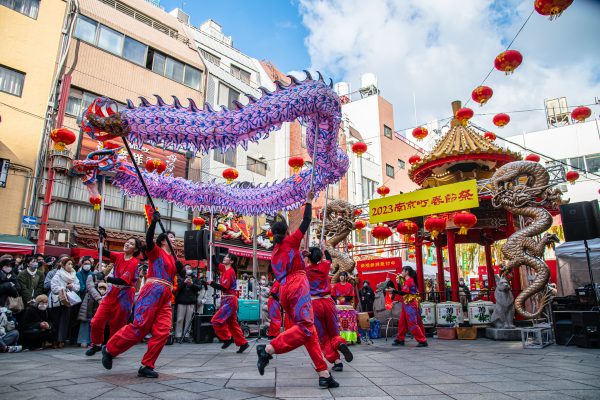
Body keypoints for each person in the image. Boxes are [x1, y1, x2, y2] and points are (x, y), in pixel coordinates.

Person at [256, 190, 338, 388]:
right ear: (286, 232)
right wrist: (309, 201)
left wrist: (299, 256)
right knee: (304, 328)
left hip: (285, 290)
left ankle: (323, 373)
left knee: (308, 330)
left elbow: (286, 266)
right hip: (298, 287)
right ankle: (267, 349)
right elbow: (307, 220)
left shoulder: (275, 252)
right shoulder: (290, 241)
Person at [101, 212, 183, 378]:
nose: (174, 239)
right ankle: (110, 349)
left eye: (175, 238)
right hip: (152, 291)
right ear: (162, 240)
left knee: (163, 331)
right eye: (171, 237)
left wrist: (180, 269)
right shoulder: (156, 251)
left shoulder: (175, 259)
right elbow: (148, 239)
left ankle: (147, 365)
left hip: (166, 294)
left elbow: (174, 278)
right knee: (139, 326)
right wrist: (153, 223)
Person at [86, 235, 142, 356]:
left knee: (117, 325)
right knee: (96, 321)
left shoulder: (134, 263)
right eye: (127, 242)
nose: (127, 244)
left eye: (131, 244)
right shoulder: (119, 256)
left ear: (136, 249)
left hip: (125, 296)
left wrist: (106, 277)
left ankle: (111, 349)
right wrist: (101, 238)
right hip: (112, 293)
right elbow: (102, 251)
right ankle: (96, 344)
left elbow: (122, 281)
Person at [306, 247, 353, 372]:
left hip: (315, 303)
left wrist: (303, 255)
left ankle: (336, 360)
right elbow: (329, 259)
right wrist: (325, 249)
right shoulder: (325, 266)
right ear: (320, 257)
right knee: (334, 332)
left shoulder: (306, 270)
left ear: (308, 257)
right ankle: (340, 343)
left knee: (323, 336)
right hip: (328, 301)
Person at [210, 253, 249, 353]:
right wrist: (212, 251)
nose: (224, 257)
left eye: (227, 257)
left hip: (230, 301)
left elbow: (224, 287)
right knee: (232, 324)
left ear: (231, 261)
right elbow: (215, 262)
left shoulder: (230, 272)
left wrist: (212, 283)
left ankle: (227, 338)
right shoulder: (224, 268)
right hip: (227, 300)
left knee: (216, 320)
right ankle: (243, 343)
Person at [391, 266, 428, 347]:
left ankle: (422, 340)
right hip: (407, 303)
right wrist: (398, 283)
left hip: (410, 304)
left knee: (412, 323)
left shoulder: (409, 281)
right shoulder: (407, 281)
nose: (401, 273)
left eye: (402, 271)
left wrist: (392, 290)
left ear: (407, 272)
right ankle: (400, 339)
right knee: (402, 322)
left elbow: (403, 293)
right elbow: (402, 290)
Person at [49, 257, 79, 347]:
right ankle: (54, 340)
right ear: (63, 265)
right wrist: (63, 288)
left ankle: (61, 339)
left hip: (68, 300)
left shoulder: (74, 275)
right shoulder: (58, 274)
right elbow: (53, 287)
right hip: (58, 300)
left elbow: (78, 286)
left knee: (65, 321)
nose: (70, 266)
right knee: (56, 321)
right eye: (68, 264)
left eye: (71, 264)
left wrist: (72, 286)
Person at [175, 265, 201, 342]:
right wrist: (184, 282)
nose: (188, 269)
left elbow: (199, 287)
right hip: (181, 301)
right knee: (180, 319)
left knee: (189, 320)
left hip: (191, 301)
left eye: (190, 268)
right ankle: (178, 335)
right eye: (187, 268)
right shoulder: (180, 277)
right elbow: (178, 288)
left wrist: (192, 284)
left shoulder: (195, 278)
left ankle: (186, 335)